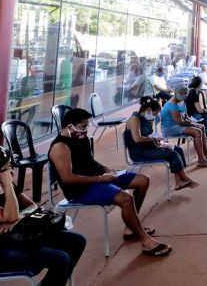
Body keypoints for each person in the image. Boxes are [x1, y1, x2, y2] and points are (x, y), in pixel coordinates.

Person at [0, 148, 86, 285]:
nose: (12, 172)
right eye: (8, 168)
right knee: (60, 259)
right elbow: (9, 218)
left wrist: (18, 219)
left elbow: (32, 205)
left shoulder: (1, 185)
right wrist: (8, 186)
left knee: (77, 241)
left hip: (14, 238)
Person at [48, 108, 172, 256]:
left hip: (98, 178)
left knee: (143, 181)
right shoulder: (60, 147)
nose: (85, 130)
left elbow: (89, 161)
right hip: (80, 190)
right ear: (69, 127)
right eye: (82, 126)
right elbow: (67, 178)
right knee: (126, 199)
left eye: (87, 126)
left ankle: (131, 227)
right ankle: (145, 241)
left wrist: (106, 169)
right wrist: (100, 178)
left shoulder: (81, 139)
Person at [124, 97, 199, 190]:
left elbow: (149, 134)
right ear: (148, 110)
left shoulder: (146, 118)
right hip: (139, 152)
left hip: (148, 147)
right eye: (155, 114)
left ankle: (178, 181)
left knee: (177, 149)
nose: (155, 116)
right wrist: (154, 139)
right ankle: (184, 178)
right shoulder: (135, 119)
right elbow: (137, 139)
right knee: (172, 154)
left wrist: (160, 140)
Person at [161, 85, 207, 166]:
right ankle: (201, 160)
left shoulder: (181, 101)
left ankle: (206, 152)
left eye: (185, 93)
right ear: (175, 93)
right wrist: (192, 124)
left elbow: (185, 116)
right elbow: (179, 121)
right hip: (170, 128)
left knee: (202, 127)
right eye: (181, 93)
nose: (183, 95)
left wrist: (193, 122)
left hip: (178, 124)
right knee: (197, 132)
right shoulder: (172, 105)